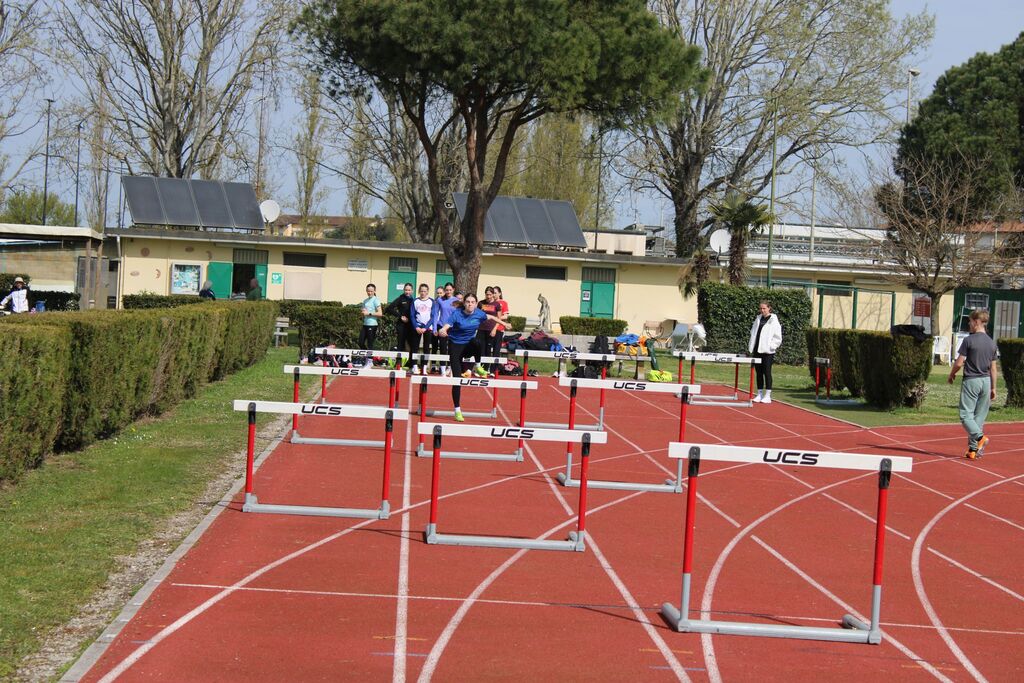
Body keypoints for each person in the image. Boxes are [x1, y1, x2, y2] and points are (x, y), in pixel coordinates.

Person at [437, 293, 506, 421]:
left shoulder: (479, 313)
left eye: (472, 302)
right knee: (457, 380)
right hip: (455, 347)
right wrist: (443, 330)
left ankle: (478, 366)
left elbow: (492, 317)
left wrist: (504, 324)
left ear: (476, 303)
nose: (470, 304)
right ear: (464, 303)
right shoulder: (457, 314)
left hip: (468, 347)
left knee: (477, 342)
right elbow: (446, 326)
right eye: (468, 302)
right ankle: (457, 410)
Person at [948, 309, 998, 459]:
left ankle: (980, 438)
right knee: (979, 418)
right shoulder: (991, 343)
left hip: (972, 380)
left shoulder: (969, 340)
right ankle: (973, 450)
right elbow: (993, 368)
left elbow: (959, 362)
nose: (969, 324)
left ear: (976, 322)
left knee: (965, 415)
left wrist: (952, 374)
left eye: (970, 321)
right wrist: (994, 387)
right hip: (986, 381)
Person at [748, 300, 783, 404]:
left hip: (768, 352)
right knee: (758, 372)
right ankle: (759, 394)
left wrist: (772, 347)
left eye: (764, 308)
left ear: (769, 308)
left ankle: (768, 395)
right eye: (761, 308)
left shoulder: (774, 320)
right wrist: (751, 346)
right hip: (757, 350)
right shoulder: (758, 319)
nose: (762, 310)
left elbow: (777, 336)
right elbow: (753, 333)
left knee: (767, 372)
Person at [476, 287, 507, 377]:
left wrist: (494, 329)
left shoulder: (497, 305)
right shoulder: (481, 303)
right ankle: (480, 369)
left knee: (488, 350)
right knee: (480, 349)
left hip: (491, 330)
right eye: (487, 294)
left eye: (490, 294)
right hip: (481, 329)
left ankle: (486, 370)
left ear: (493, 294)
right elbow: (477, 315)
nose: (488, 296)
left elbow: (499, 318)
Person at [386, 282, 416, 368]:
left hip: (411, 326)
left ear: (412, 291)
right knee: (400, 344)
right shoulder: (400, 299)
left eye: (409, 290)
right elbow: (389, 308)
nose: (407, 292)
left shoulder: (414, 300)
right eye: (406, 290)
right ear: (403, 290)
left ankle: (411, 364)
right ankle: (398, 363)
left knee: (412, 345)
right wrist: (400, 316)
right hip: (401, 325)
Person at [430, 282, 457, 376]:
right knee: (443, 348)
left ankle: (449, 368)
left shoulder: (457, 301)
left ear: (453, 290)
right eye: (447, 290)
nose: (448, 292)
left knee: (452, 348)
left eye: (450, 290)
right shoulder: (440, 300)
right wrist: (434, 328)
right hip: (441, 326)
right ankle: (442, 369)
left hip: (452, 328)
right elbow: (435, 314)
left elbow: (458, 315)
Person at [411, 283, 435, 374]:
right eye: (421, 291)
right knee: (415, 347)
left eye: (425, 291)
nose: (423, 293)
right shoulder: (415, 301)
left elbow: (433, 316)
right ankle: (414, 366)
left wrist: (426, 327)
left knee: (426, 348)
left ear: (427, 291)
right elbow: (412, 315)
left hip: (427, 328)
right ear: (419, 291)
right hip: (417, 327)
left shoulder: (432, 301)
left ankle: (424, 367)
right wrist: (416, 327)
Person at [358, 283, 382, 365]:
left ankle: (370, 361)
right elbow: (364, 311)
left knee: (370, 344)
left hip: (373, 324)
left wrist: (369, 313)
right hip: (365, 324)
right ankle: (369, 358)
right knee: (360, 342)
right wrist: (363, 312)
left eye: (371, 291)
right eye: (368, 291)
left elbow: (380, 313)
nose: (369, 293)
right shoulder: (365, 301)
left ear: (374, 291)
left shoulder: (376, 300)